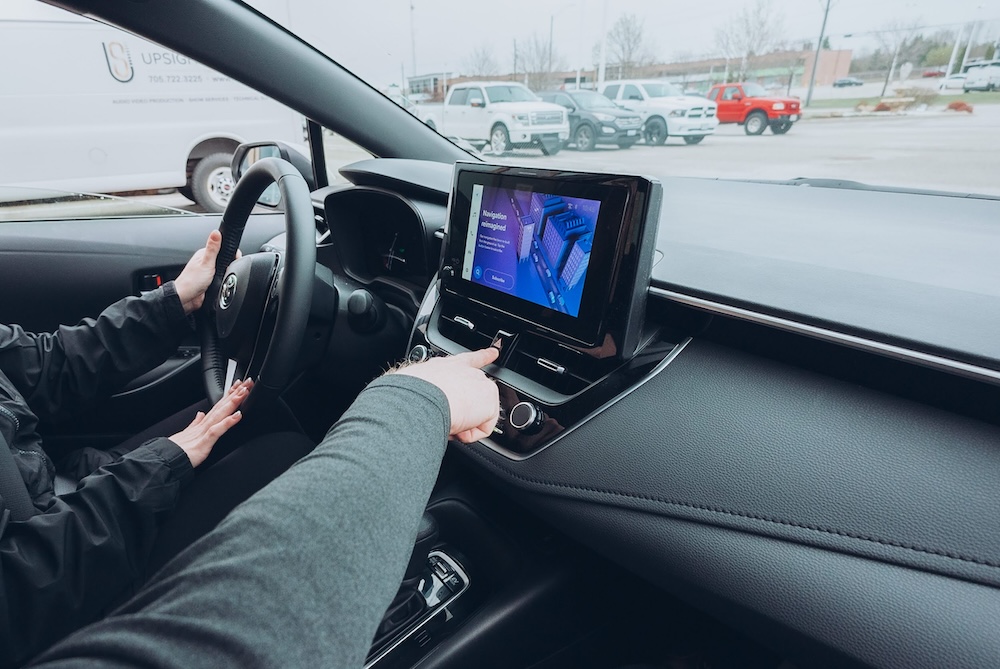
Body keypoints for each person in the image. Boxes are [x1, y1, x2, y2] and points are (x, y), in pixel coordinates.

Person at [26, 346, 501, 668]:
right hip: (56, 578)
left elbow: (30, 359)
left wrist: (172, 301)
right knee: (282, 452)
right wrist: (415, 399)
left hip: (47, 509)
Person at [0, 231, 312, 667]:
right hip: (68, 589)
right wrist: (160, 465)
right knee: (287, 455)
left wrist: (175, 301)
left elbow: (45, 368)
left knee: (260, 417)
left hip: (61, 505)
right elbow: (16, 591)